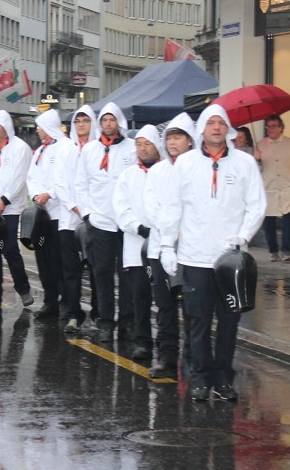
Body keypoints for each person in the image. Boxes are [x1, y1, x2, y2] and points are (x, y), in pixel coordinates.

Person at [158, 104, 265, 402]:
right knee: (197, 321)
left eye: (221, 123)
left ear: (228, 129)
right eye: (211, 123)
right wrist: (167, 245)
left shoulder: (244, 163)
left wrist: (243, 236)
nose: (216, 127)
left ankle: (223, 379)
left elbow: (257, 204)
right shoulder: (186, 163)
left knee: (229, 322)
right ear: (201, 130)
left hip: (230, 260)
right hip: (194, 256)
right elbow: (172, 206)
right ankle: (200, 378)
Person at [74, 102, 135, 344]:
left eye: (112, 120)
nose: (108, 124)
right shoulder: (90, 150)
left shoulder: (131, 148)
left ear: (118, 122)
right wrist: (88, 215)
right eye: (104, 120)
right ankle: (106, 322)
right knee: (102, 274)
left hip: (126, 224)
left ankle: (127, 323)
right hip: (100, 222)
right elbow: (81, 184)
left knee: (127, 274)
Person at [144, 112, 196, 379]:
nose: (173, 142)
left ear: (190, 140)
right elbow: (151, 207)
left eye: (179, 137)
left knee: (192, 308)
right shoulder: (157, 171)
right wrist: (169, 230)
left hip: (190, 250)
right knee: (165, 307)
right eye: (170, 137)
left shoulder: (198, 168)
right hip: (160, 248)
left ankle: (193, 359)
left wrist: (182, 230)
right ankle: (166, 357)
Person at [113, 124, 161, 362]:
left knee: (164, 299)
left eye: (147, 144)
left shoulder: (166, 172)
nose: (142, 149)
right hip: (135, 245)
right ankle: (143, 342)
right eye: (139, 144)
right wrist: (138, 227)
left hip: (163, 245)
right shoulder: (128, 176)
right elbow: (121, 208)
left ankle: (165, 342)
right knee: (139, 297)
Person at [0, 110, 33, 309]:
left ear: (6, 126)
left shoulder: (21, 148)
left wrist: (4, 200)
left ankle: (23, 288)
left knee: (9, 248)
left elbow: (19, 178)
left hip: (10, 208)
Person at [55, 105, 97, 333]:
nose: (81, 125)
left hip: (95, 220)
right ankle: (74, 312)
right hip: (68, 219)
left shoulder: (98, 149)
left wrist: (90, 212)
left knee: (96, 268)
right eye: (78, 121)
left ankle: (98, 313)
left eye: (86, 121)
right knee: (70, 270)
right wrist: (77, 209)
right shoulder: (65, 150)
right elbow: (60, 182)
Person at [26, 109, 68, 320]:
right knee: (42, 260)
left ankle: (65, 301)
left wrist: (49, 194)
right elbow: (31, 177)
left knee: (57, 260)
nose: (38, 131)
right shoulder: (39, 151)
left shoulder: (65, 147)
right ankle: (50, 301)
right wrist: (35, 195)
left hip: (58, 214)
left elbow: (65, 178)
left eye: (40, 126)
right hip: (41, 215)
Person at [255, 114, 290, 262]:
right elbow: (255, 170)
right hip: (269, 187)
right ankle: (273, 250)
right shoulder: (260, 145)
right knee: (269, 222)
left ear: (281, 128)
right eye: (268, 126)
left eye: (274, 126)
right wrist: (256, 160)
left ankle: (286, 250)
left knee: (288, 218)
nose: (270, 129)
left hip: (287, 187)